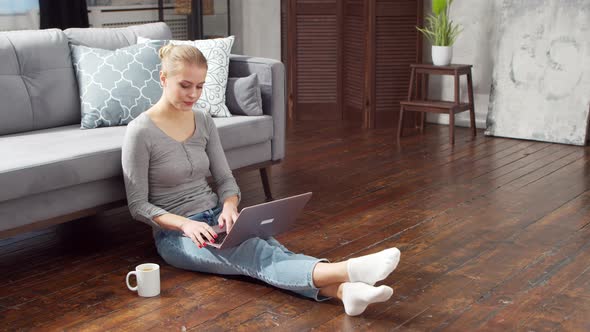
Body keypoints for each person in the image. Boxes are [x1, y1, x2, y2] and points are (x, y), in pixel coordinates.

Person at [121, 43, 402, 316]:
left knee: (271, 249)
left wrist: (230, 206)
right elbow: (138, 206)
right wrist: (186, 224)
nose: (193, 94)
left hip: (217, 218)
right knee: (256, 254)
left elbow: (225, 179)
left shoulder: (203, 120)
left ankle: (345, 293)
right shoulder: (140, 131)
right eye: (185, 85)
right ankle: (349, 270)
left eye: (200, 86)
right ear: (163, 78)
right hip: (177, 236)